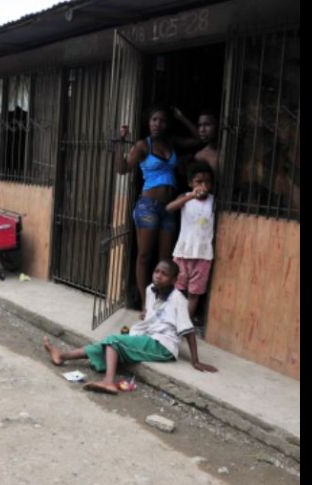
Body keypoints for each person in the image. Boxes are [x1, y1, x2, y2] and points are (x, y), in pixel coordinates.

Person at [43, 260, 218, 394]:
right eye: (156, 271)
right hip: (148, 336)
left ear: (174, 279)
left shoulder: (178, 299)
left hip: (163, 345)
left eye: (164, 274)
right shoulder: (151, 289)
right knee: (107, 344)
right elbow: (151, 314)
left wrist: (195, 360)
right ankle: (62, 356)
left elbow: (188, 330)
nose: (158, 276)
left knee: (114, 341)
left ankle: (109, 382)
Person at [119, 106, 200, 317]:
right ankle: (146, 305)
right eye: (154, 119)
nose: (157, 124)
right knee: (145, 255)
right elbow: (122, 169)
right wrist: (120, 143)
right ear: (149, 122)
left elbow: (197, 139)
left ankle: (161, 302)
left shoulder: (171, 143)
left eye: (162, 120)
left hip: (168, 207)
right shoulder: (142, 146)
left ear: (167, 124)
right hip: (148, 206)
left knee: (165, 259)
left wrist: (181, 116)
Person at [166, 161, 215, 324]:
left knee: (194, 293)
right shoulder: (185, 198)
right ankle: (172, 320)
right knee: (177, 289)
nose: (204, 185)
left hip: (203, 256)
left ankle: (183, 324)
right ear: (190, 183)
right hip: (183, 252)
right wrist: (191, 196)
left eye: (207, 181)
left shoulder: (214, 202)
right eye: (199, 181)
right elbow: (169, 208)